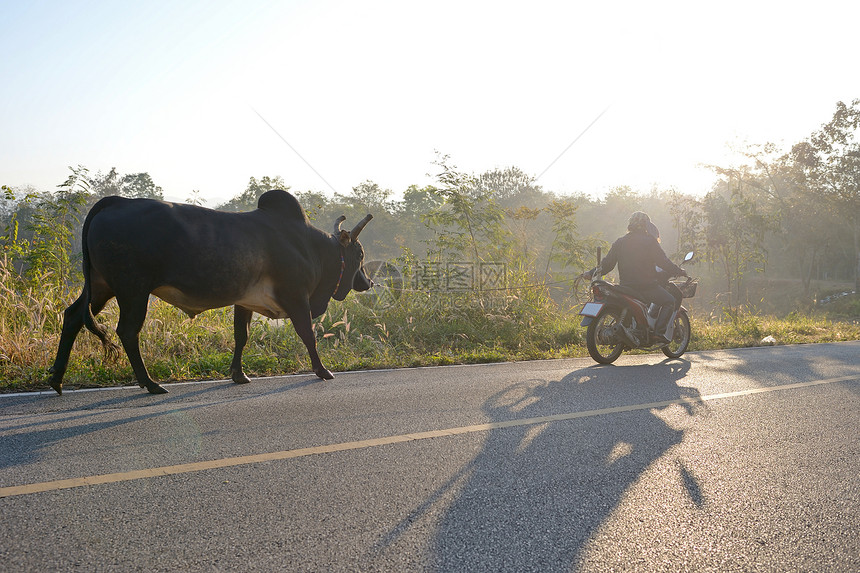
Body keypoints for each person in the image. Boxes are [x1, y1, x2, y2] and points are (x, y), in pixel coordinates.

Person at [583, 211, 686, 344]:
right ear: (646, 226)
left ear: (630, 225)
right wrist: (679, 271)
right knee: (669, 301)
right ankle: (658, 333)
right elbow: (663, 262)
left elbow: (607, 264)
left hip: (626, 287)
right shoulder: (650, 241)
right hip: (647, 287)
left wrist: (591, 273)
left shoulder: (620, 242)